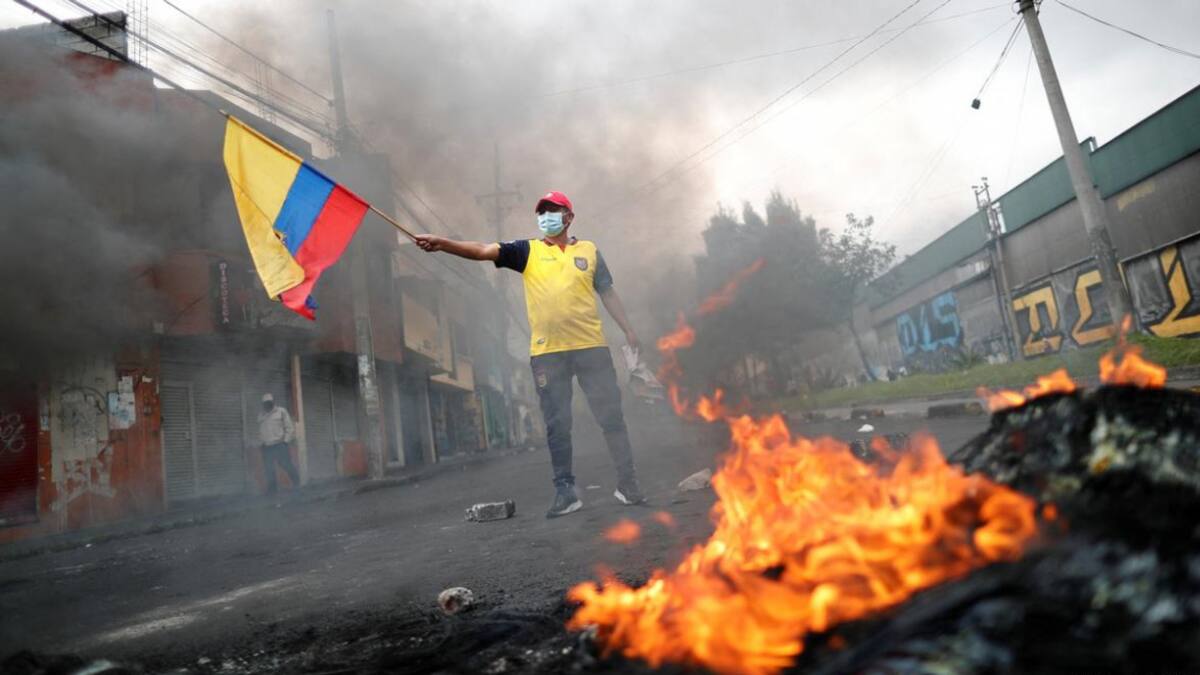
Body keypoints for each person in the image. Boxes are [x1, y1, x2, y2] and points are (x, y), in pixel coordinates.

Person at [414, 190, 646, 518]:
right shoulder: (527, 251)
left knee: (611, 417)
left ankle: (628, 483)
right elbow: (482, 250)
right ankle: (565, 491)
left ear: (569, 217)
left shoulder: (589, 251)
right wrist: (442, 243)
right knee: (557, 424)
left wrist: (628, 329)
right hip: (547, 353)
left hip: (592, 347)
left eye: (553, 210)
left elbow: (607, 292)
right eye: (542, 212)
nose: (546, 216)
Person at [258, 393, 300, 494]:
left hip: (279, 445)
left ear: (273, 402)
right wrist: (261, 443)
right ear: (263, 404)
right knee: (269, 469)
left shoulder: (281, 411)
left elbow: (289, 428)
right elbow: (261, 431)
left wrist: (285, 441)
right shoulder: (261, 415)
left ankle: (297, 485)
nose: (267, 405)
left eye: (269, 403)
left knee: (286, 465)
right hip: (267, 447)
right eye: (265, 403)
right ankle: (272, 491)